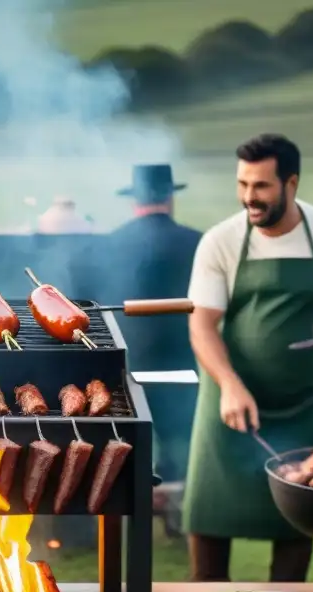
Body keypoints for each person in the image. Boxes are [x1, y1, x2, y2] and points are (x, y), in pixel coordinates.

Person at [183, 134, 313, 581]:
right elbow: (202, 325)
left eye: (262, 186)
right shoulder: (221, 241)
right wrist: (229, 385)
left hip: (304, 408)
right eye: (243, 184)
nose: (250, 197)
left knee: (294, 546)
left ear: (292, 182)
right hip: (229, 407)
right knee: (206, 563)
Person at [107, 164, 202, 505]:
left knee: (126, 442)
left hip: (124, 369)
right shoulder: (198, 243)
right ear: (170, 196)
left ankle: (128, 503)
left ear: (134, 200)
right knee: (180, 441)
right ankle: (178, 507)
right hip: (184, 365)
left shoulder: (109, 244)